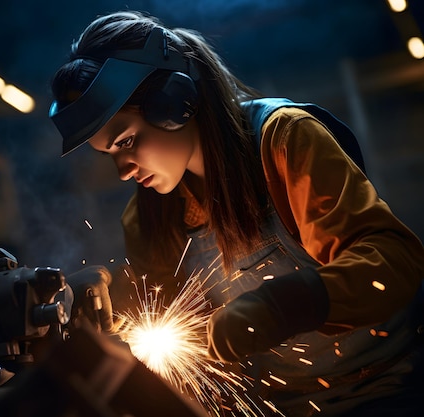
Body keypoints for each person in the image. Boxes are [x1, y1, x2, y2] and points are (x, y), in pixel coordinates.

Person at [48, 10, 424, 417]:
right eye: (110, 154)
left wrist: (282, 305)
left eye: (126, 142)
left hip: (390, 386)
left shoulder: (284, 140)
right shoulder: (146, 219)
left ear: (174, 103)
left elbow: (394, 261)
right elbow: (183, 351)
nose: (123, 171)